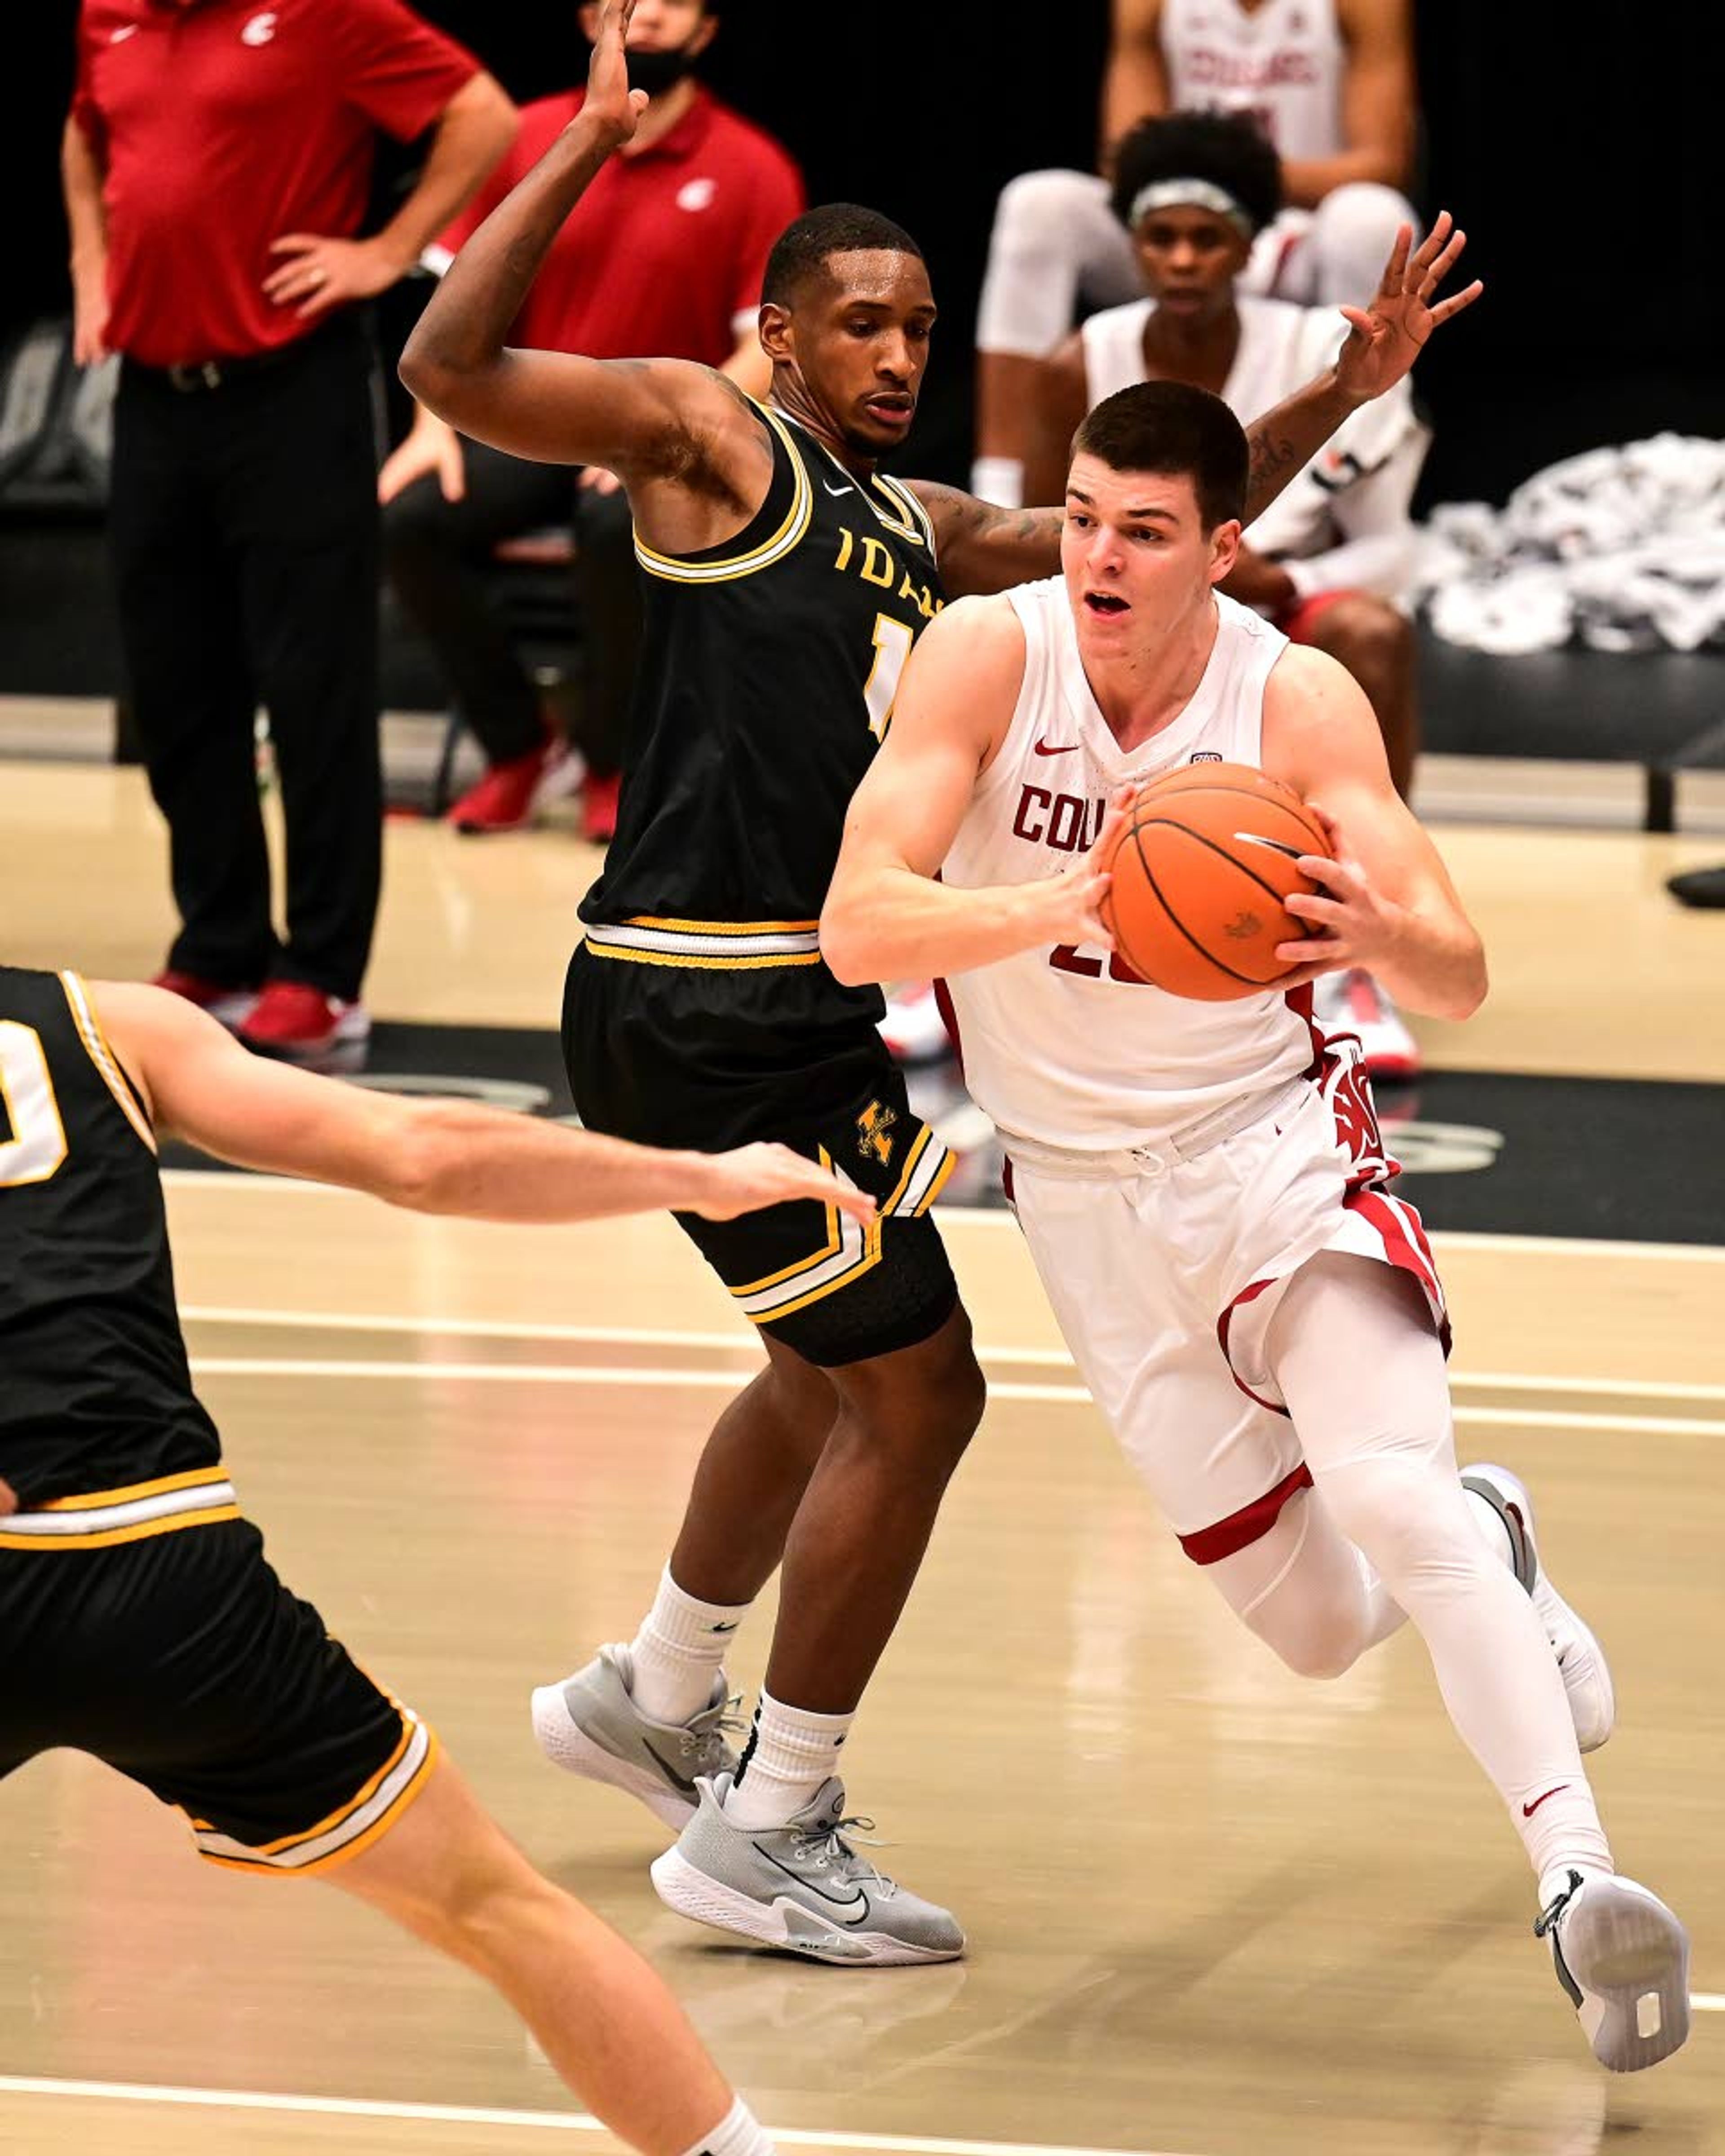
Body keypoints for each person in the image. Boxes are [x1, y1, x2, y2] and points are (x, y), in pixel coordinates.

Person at [397, 0, 1478, 1965]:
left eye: (920, 328)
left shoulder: (918, 529)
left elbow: (1159, 517)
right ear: (784, 331)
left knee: (826, 1370)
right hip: (698, 997)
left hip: (794, 1015)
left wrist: (1345, 382)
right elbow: (445, 364)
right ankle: (770, 1823)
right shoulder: (708, 438)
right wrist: (583, 133)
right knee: (919, 1392)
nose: (900, 356)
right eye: (863, 325)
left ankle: (652, 1690)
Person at [819, 380, 1690, 2073]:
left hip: (1273, 1146)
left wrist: (1387, 928)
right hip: (1078, 1200)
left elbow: (1459, 967)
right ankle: (1498, 1539)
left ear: (1228, 545)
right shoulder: (989, 654)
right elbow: (861, 923)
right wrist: (1068, 899)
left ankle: (1578, 1875)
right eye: (1079, 515)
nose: (1098, 555)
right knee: (1307, 1630)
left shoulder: (1291, 697)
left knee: (1380, 1488)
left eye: (1142, 529)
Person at [0, 962, 878, 2152]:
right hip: (163, 1572)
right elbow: (420, 1151)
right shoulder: (102, 1022)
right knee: (495, 1907)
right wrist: (700, 1177)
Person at [63, 0, 517, 1065]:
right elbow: (87, 132)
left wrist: (388, 252)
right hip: (154, 400)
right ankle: (219, 945)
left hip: (290, 396)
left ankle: (321, 974)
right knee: (178, 690)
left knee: (312, 690)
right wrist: (93, 260)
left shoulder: (328, 14)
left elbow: (482, 116)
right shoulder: (110, 16)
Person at [1024, 109, 1429, 1080]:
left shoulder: (1329, 350)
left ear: (1257, 246)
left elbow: (1396, 550)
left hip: (1281, 605)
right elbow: (1039, 535)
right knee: (983, 648)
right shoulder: (1081, 359)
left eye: (1209, 238)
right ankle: (971, 946)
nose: (1184, 259)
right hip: (1132, 608)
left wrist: (1281, 580)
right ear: (1131, 244)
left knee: (1371, 635)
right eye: (1161, 237)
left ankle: (1353, 954)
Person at [380, 0, 804, 843]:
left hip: (661, 437)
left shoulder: (754, 166)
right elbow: (451, 301)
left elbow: (766, 343)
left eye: (671, 5)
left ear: (708, 30)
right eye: (630, 3)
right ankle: (520, 750)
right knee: (409, 519)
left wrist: (679, 435)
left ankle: (613, 760)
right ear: (589, 18)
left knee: (619, 528)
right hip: (529, 420)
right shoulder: (530, 133)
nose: (647, 21)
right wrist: (431, 429)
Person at [972, 0, 1420, 510]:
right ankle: (999, 498)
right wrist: (1203, 193)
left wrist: (1231, 177)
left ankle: (1365, 493)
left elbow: (1383, 162)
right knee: (1038, 204)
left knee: (1373, 217)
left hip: (1296, 228)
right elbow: (1124, 153)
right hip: (1181, 216)